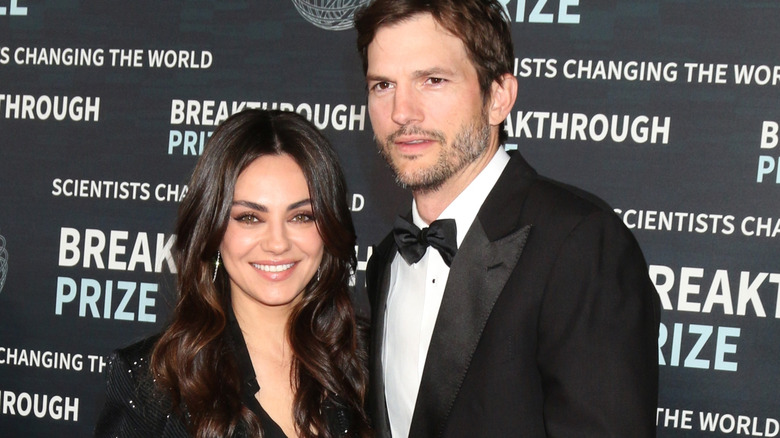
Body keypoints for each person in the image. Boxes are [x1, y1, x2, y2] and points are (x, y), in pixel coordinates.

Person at [354, 1, 661, 437]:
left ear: (498, 97)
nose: (402, 112)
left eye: (433, 80)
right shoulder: (387, 259)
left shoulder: (579, 245)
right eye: (383, 85)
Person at [95, 109, 371, 438]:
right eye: (249, 218)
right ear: (213, 229)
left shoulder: (373, 360)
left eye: (301, 217)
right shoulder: (154, 385)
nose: (278, 243)